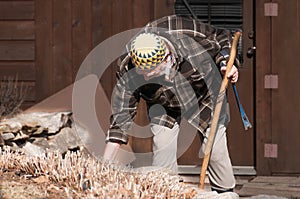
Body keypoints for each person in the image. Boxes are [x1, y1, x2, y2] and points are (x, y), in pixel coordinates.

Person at [103, 15, 240, 193]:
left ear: (166, 57)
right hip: (163, 103)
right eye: (141, 73)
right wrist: (105, 165)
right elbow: (121, 116)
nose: (145, 77)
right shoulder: (128, 67)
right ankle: (167, 191)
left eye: (151, 72)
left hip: (205, 95)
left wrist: (226, 62)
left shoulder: (188, 37)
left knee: (214, 148)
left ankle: (225, 193)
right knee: (162, 143)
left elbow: (224, 37)